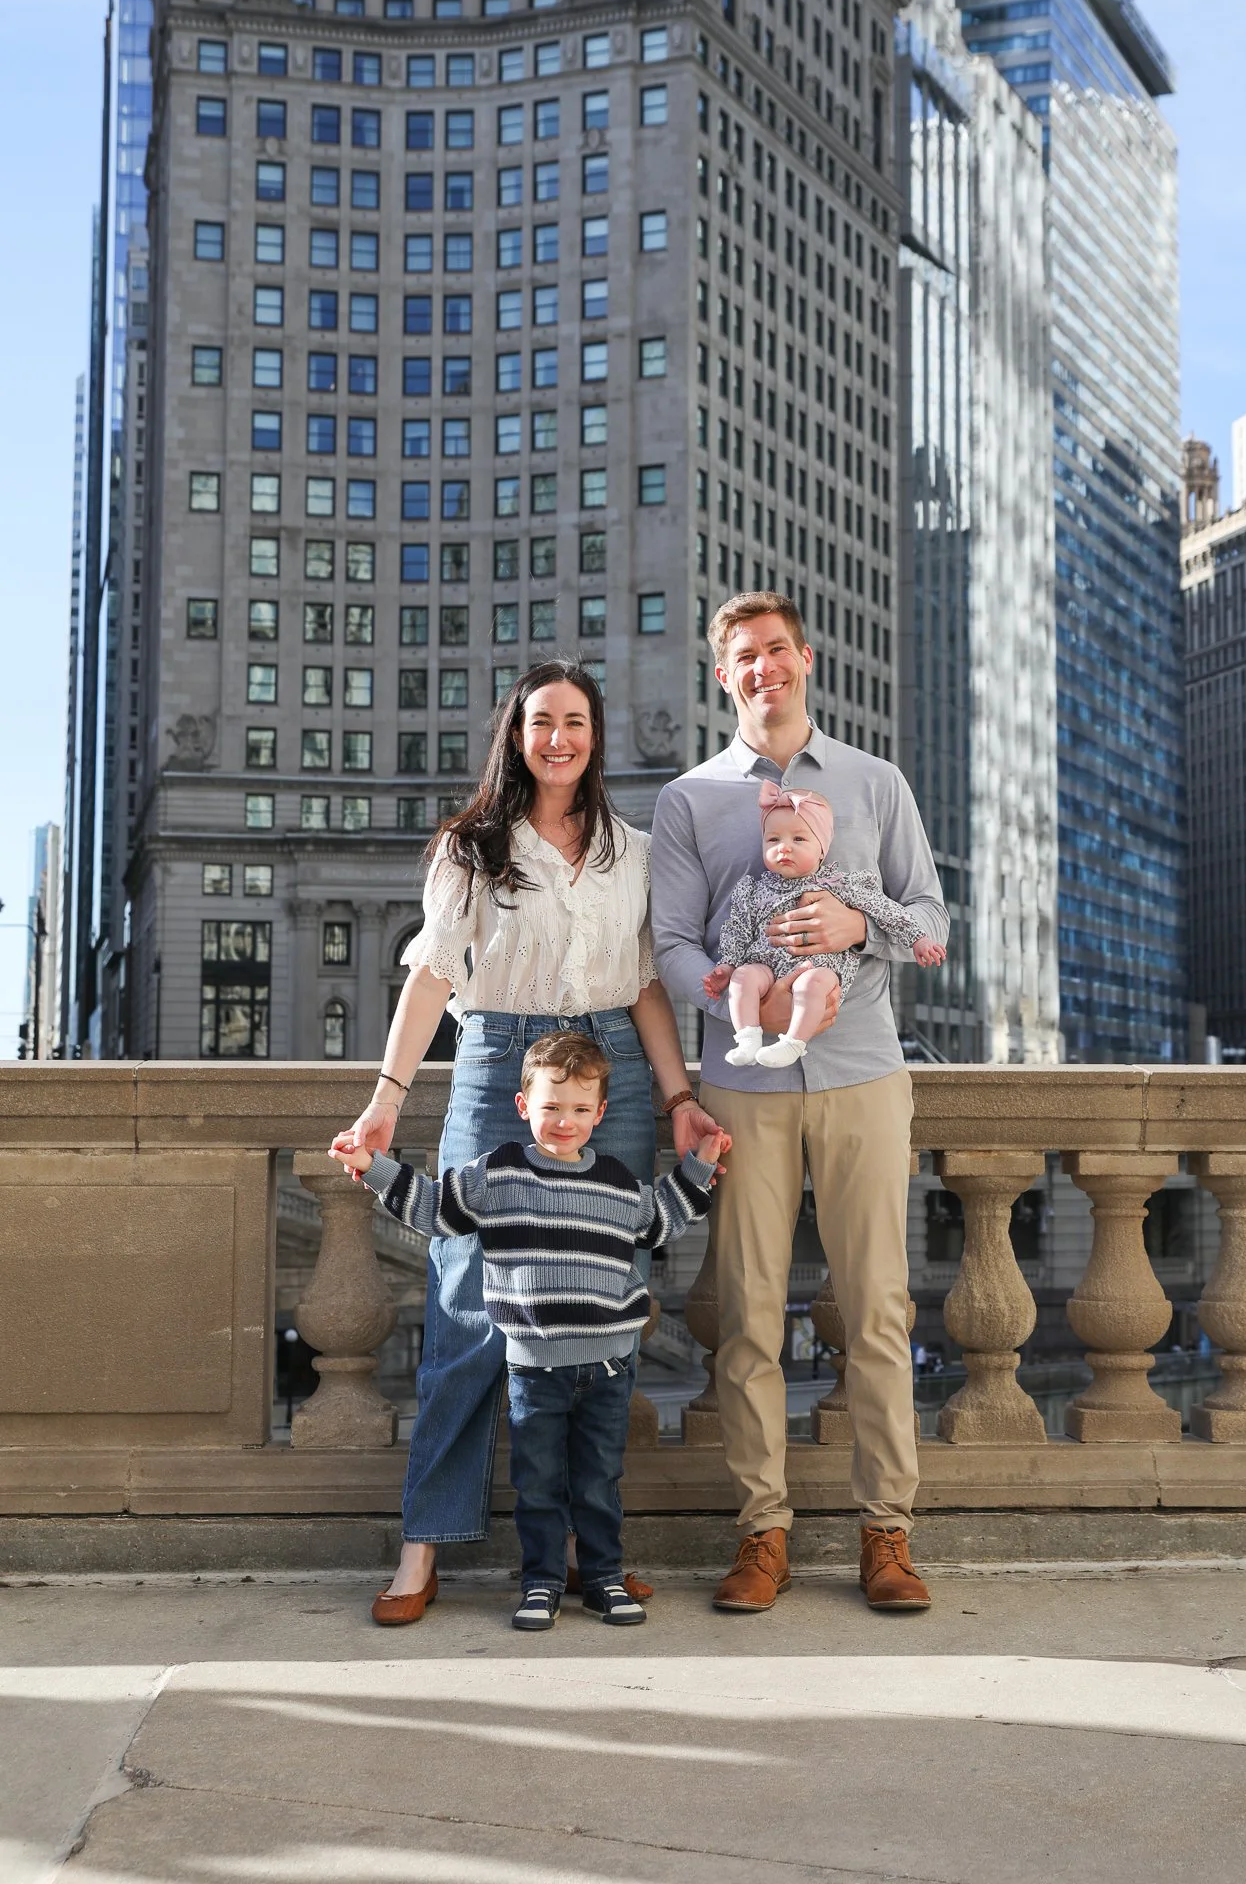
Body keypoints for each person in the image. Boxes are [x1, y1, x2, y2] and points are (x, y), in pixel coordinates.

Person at [333, 660, 724, 1626]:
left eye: (576, 723)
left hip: (617, 1069)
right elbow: (429, 979)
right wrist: (386, 1098)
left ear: (597, 737)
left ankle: (591, 1551)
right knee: (466, 1306)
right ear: (515, 734)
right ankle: (423, 1542)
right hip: (499, 1055)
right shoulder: (471, 848)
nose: (559, 738)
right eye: (541, 721)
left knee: (607, 1293)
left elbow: (643, 984)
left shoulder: (629, 849)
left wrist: (677, 1096)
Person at [651, 592, 949, 1614]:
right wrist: (741, 989)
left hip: (865, 1071)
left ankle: (887, 1533)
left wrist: (852, 931)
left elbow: (928, 918)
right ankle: (761, 1531)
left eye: (777, 649)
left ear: (804, 658)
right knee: (747, 1319)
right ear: (722, 673)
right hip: (743, 1083)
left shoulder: (876, 782)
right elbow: (674, 942)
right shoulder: (690, 800)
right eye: (743, 655)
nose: (763, 667)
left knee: (875, 1310)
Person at [332, 1031, 724, 1631]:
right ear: (523, 1107)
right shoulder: (497, 1175)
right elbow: (435, 1210)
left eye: (578, 1110)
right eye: (550, 1107)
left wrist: (699, 1165)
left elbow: (663, 1221)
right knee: (537, 1485)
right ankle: (540, 1581)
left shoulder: (618, 1182)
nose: (564, 1122)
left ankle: (601, 1579)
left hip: (608, 1367)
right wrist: (372, 1166)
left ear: (599, 1114)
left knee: (598, 1482)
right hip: (534, 1367)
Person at [703, 779, 937, 1068]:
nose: (784, 848)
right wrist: (728, 965)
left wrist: (918, 938)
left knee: (811, 985)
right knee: (743, 978)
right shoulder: (753, 889)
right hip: (765, 963)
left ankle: (793, 1043)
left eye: (798, 840)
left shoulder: (838, 885)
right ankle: (748, 1037)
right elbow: (737, 929)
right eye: (773, 840)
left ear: (822, 850)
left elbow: (885, 908)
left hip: (820, 966)